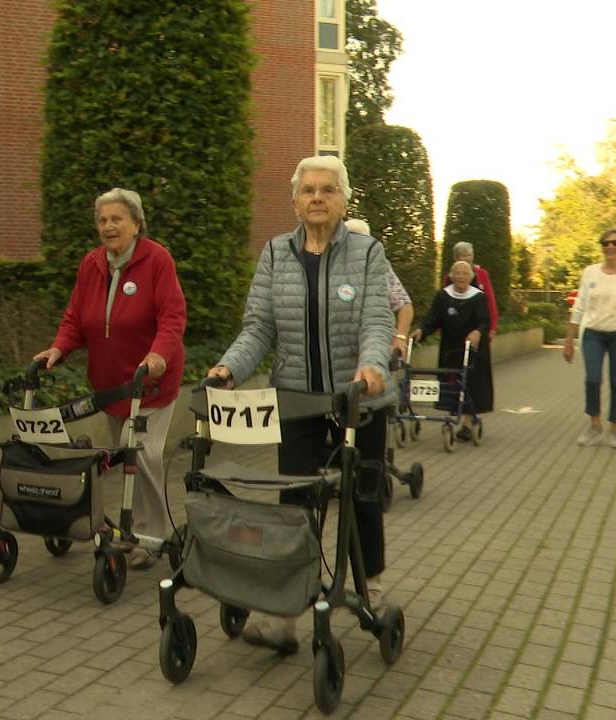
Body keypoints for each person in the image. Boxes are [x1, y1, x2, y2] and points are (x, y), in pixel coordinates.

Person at [208, 156, 394, 654]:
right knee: (294, 503)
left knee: (363, 497)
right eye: (308, 190)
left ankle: (370, 589)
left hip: (359, 400)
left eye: (327, 189)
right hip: (297, 402)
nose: (317, 197)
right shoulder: (275, 254)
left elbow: (377, 319)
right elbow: (259, 328)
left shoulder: (368, 252)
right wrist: (229, 369)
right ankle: (284, 610)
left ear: (343, 199)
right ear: (294, 201)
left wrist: (372, 366)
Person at [34, 188, 187, 570]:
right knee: (123, 452)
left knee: (143, 453)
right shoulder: (92, 264)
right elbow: (75, 317)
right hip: (110, 386)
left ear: (136, 224)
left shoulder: (157, 260)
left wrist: (158, 356)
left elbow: (172, 316)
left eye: (117, 219)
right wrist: (58, 348)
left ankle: (152, 536)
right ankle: (130, 526)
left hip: (148, 383)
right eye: (102, 220)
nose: (108, 226)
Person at [562, 228, 616, 448]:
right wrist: (569, 340)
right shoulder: (590, 272)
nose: (610, 247)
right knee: (593, 379)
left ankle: (614, 428)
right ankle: (595, 425)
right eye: (605, 243)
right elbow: (580, 305)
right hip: (593, 334)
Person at [411, 260, 492, 439]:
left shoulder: (478, 297)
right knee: (450, 382)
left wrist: (478, 332)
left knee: (470, 383)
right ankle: (452, 416)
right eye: (458, 273)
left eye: (465, 273)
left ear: (471, 277)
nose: (461, 277)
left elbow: (485, 320)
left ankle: (468, 423)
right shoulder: (443, 296)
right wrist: (422, 331)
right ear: (451, 276)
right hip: (450, 348)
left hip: (472, 348)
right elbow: (433, 319)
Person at [347, 218, 413, 357]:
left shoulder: (381, 267)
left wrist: (400, 338)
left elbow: (404, 306)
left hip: (376, 349)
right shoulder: (330, 266)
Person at [443, 242, 498, 344]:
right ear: (456, 258)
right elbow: (444, 303)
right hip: (456, 327)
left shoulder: (482, 274)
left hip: (479, 326)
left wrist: (493, 326)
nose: (466, 259)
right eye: (463, 256)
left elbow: (490, 300)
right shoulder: (450, 277)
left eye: (469, 255)